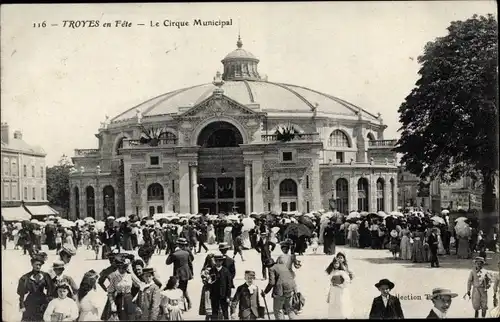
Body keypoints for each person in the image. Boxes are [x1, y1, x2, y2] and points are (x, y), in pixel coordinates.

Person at [103, 254, 147, 321]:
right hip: (119, 300)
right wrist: (112, 303)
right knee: (122, 319)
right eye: (120, 268)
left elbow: (141, 285)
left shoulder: (130, 275)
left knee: (131, 318)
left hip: (129, 299)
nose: (122, 270)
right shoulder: (114, 276)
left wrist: (136, 297)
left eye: (124, 267)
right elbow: (110, 292)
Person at [17, 253, 55, 321]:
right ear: (32, 264)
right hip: (30, 302)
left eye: (40, 265)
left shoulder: (45, 276)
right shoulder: (25, 278)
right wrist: (22, 305)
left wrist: (49, 302)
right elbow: (21, 294)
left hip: (42, 302)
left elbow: (50, 290)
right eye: (36, 264)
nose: (38, 267)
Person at [166, 237, 194, 311]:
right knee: (184, 289)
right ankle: (188, 303)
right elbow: (191, 262)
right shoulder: (187, 251)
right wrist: (191, 273)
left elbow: (167, 262)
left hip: (178, 274)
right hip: (186, 273)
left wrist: (171, 253)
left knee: (178, 289)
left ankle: (183, 305)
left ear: (178, 245)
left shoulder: (175, 254)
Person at [209, 252, 232, 320]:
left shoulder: (226, 271)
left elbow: (229, 285)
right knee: (214, 312)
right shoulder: (212, 270)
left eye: (220, 261)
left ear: (222, 261)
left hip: (224, 295)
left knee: (225, 311)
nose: (218, 262)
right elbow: (210, 283)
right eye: (216, 261)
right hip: (214, 295)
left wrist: (228, 296)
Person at [199, 254, 216, 320]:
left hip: (214, 290)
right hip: (208, 289)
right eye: (212, 260)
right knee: (208, 310)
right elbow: (205, 281)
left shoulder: (216, 268)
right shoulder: (205, 270)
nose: (214, 262)